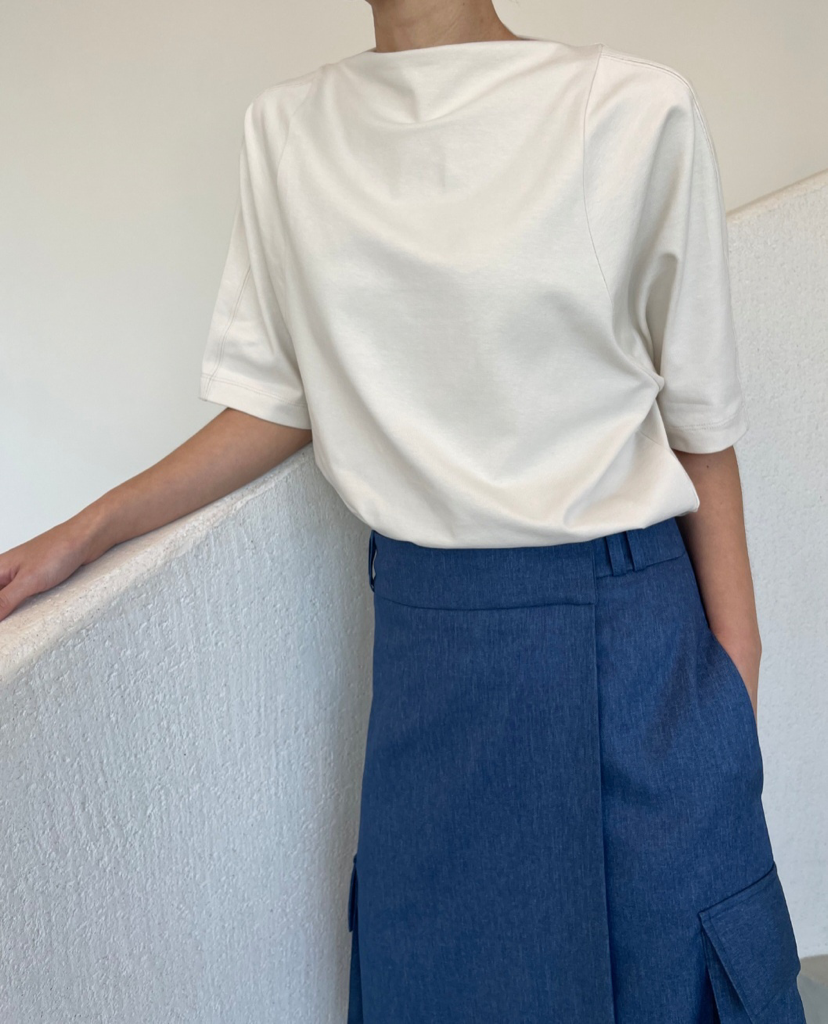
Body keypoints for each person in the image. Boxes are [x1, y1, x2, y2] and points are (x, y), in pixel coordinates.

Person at [0, 1, 809, 1022]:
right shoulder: (289, 130)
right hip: (432, 658)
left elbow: (700, 421)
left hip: (636, 647)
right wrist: (88, 531)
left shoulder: (632, 108)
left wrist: (735, 679)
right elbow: (281, 397)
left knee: (677, 982)